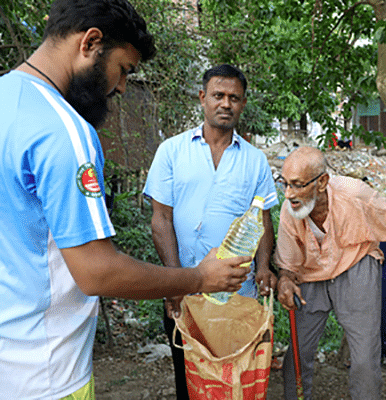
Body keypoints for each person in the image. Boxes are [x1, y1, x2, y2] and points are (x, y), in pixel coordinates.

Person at [0, 1, 251, 399]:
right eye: (124, 70)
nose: (120, 87)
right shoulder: (64, 131)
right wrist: (199, 278)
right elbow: (97, 271)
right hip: (44, 375)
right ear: (91, 43)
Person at [143, 63, 279, 399]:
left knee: (234, 382)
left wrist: (264, 267)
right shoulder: (171, 151)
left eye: (234, 98)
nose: (226, 103)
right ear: (203, 98)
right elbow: (161, 220)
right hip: (186, 291)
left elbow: (262, 219)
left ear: (243, 104)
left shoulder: (255, 160)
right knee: (190, 381)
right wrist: (174, 281)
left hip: (238, 294)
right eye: (218, 95)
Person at [275, 146, 386, 400]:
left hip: (354, 265)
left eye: (297, 185)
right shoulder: (290, 209)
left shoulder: (352, 192)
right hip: (310, 274)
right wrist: (284, 281)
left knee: (365, 356)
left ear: (322, 182)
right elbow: (288, 265)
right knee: (297, 356)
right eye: (285, 184)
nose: (289, 194)